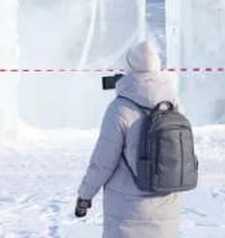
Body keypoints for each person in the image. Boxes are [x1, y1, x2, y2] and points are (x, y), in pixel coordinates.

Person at [75, 40, 184, 237]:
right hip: (167, 205)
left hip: (127, 210)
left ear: (130, 67)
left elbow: (103, 162)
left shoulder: (121, 108)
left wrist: (85, 195)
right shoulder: (173, 104)